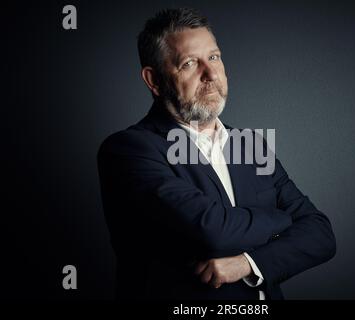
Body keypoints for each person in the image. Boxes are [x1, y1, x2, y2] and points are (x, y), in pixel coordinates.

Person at [97, 7, 336, 300]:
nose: (210, 73)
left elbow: (321, 235)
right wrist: (283, 219)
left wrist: (249, 264)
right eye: (189, 63)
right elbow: (214, 233)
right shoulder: (129, 150)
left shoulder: (250, 146)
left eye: (214, 57)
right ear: (154, 80)